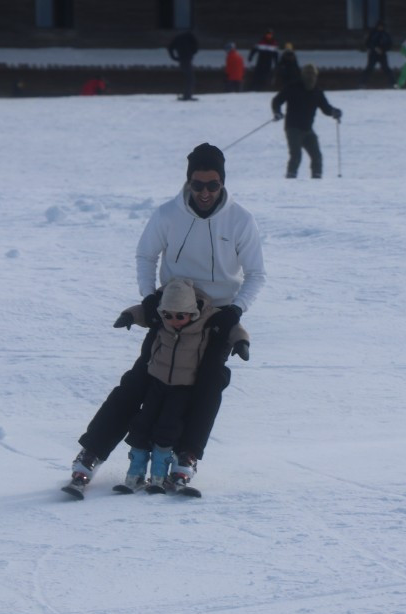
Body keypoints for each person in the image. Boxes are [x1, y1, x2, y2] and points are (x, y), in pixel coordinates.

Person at [68, 143, 266, 494]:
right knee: (139, 381)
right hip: (171, 310)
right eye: (198, 184)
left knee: (209, 384)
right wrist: (150, 299)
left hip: (217, 317)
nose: (205, 193)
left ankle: (186, 456)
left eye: (213, 185)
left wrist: (236, 310)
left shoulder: (241, 220)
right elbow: (146, 255)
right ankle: (91, 454)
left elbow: (256, 274)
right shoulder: (166, 215)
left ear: (223, 183)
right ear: (188, 182)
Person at [88, 277, 250, 496]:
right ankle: (134, 474)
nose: (174, 320)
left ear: (192, 313)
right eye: (168, 315)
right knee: (142, 427)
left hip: (183, 387)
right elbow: (142, 312)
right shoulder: (161, 319)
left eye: (180, 316)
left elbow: (234, 327)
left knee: (168, 429)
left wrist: (241, 342)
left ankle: (171, 472)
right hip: (157, 382)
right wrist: (128, 316)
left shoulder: (208, 320)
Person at [271, 64, 342, 179]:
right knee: (296, 156)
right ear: (302, 76)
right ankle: (290, 181)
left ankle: (316, 181)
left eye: (313, 75)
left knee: (317, 156)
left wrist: (334, 112)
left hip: (307, 129)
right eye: (308, 75)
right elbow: (277, 100)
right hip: (293, 128)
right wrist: (277, 111)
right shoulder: (293, 88)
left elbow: (326, 108)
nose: (311, 78)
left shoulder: (317, 92)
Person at [359, 22, 395, 87]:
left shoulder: (386, 35)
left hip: (382, 54)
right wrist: (375, 48)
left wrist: (383, 50)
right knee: (369, 68)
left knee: (386, 68)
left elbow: (390, 44)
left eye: (382, 26)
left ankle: (393, 83)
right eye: (379, 26)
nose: (380, 28)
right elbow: (368, 43)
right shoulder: (372, 34)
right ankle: (362, 83)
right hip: (373, 54)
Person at [168, 29, 199, 100]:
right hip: (186, 59)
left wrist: (174, 57)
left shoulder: (178, 37)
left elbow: (170, 47)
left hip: (182, 59)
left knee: (188, 77)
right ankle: (187, 96)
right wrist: (192, 53)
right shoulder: (190, 36)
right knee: (191, 78)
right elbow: (196, 47)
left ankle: (187, 95)